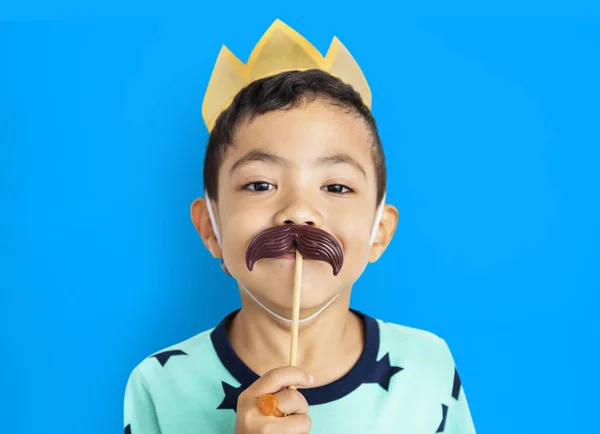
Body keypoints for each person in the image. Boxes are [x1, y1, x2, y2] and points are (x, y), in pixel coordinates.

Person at [123, 20, 476, 434]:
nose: (299, 212)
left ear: (378, 231)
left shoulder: (427, 366)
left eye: (336, 186)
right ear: (209, 228)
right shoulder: (160, 384)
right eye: (260, 184)